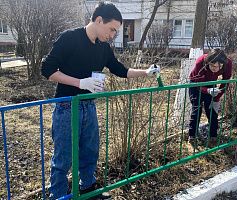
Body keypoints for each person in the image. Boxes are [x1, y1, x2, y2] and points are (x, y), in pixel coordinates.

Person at [41, 2, 160, 199]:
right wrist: (80, 83)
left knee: (90, 152)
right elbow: (47, 70)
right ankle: (57, 196)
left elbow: (121, 70)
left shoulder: (103, 48)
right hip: (66, 105)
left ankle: (88, 190)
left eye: (116, 31)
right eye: (112, 29)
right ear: (98, 20)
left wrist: (147, 72)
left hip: (89, 106)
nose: (113, 35)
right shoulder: (70, 38)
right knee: (63, 157)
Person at [188, 48, 232, 146]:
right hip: (196, 84)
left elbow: (226, 81)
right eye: (211, 65)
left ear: (222, 64)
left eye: (216, 66)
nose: (213, 68)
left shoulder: (228, 63)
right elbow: (196, 82)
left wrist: (217, 97)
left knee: (211, 110)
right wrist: (206, 90)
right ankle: (192, 136)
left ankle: (213, 136)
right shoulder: (200, 62)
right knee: (197, 108)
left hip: (210, 84)